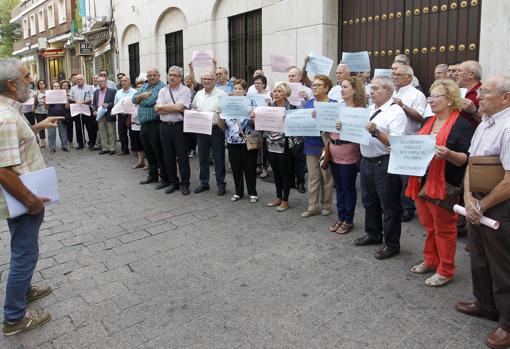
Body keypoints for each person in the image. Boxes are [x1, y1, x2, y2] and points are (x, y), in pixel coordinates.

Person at [0, 58, 64, 336]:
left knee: (23, 249)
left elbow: (13, 145)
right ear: (12, 85)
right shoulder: (6, 117)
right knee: (25, 254)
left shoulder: (11, 112)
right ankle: (14, 317)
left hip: (24, 197)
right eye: (26, 77)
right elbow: (2, 169)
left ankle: (24, 291)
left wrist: (37, 128)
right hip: (23, 201)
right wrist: (31, 200)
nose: (31, 80)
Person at [456, 75, 510, 349]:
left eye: (486, 92)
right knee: (479, 258)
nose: (479, 96)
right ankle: (485, 304)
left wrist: (482, 205)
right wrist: (468, 197)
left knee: (503, 265)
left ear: (506, 98)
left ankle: (507, 323)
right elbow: (471, 163)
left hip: (499, 206)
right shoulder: (484, 124)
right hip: (477, 202)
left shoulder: (509, 127)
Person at [406, 79, 474, 287]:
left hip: (444, 184)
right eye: (430, 96)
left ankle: (446, 269)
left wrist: (449, 154)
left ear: (450, 99)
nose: (431, 100)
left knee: (444, 228)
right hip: (421, 181)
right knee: (429, 226)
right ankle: (430, 260)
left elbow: (467, 158)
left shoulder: (461, 124)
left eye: (436, 96)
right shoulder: (430, 121)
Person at [354, 75, 407, 260]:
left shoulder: (396, 112)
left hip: (384, 162)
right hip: (367, 161)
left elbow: (396, 143)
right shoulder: (370, 109)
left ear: (388, 91)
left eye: (376, 88)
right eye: (372, 88)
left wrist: (376, 132)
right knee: (369, 201)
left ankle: (392, 244)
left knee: (389, 206)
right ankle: (373, 233)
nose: (372, 91)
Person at [329, 77, 367, 234]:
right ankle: (341, 216)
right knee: (338, 188)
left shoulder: (360, 111)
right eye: (341, 86)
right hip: (333, 152)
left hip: (348, 153)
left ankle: (348, 219)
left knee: (348, 188)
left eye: (345, 86)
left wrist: (344, 126)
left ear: (354, 90)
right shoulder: (337, 107)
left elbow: (360, 134)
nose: (342, 89)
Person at [392, 64, 427, 222]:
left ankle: (408, 208)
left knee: (405, 178)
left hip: (408, 139)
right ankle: (396, 205)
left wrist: (403, 106)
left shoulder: (416, 95)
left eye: (398, 74)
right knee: (393, 177)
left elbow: (421, 117)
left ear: (409, 77)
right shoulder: (392, 92)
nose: (395, 76)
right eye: (394, 74)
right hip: (391, 139)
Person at [255, 82, 296, 211]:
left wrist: (287, 120)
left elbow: (296, 128)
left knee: (285, 172)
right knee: (276, 172)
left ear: (286, 94)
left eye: (279, 91)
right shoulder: (269, 107)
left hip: (285, 145)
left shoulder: (292, 108)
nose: (276, 93)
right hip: (271, 143)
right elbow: (261, 123)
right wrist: (255, 117)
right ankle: (278, 197)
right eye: (275, 91)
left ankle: (285, 200)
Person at [218, 79, 259, 203]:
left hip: (248, 141)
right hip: (232, 141)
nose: (237, 91)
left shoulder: (251, 102)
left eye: (240, 89)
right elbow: (221, 126)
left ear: (245, 90)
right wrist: (218, 113)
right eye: (235, 88)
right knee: (236, 168)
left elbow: (256, 125)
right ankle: (238, 192)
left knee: (250, 168)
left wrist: (253, 117)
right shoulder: (227, 103)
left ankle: (252, 193)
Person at [155, 66, 192, 195]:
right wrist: (170, 108)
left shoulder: (185, 91)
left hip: (179, 126)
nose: (171, 77)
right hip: (164, 126)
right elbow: (156, 108)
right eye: (170, 75)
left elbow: (179, 107)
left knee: (182, 157)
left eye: (174, 75)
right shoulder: (162, 90)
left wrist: (162, 107)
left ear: (180, 77)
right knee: (168, 156)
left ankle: (185, 183)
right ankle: (173, 182)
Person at [301, 74, 334, 218]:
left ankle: (326, 205)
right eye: (313, 85)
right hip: (310, 143)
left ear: (326, 88)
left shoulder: (333, 104)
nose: (314, 87)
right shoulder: (308, 104)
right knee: (313, 177)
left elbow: (336, 126)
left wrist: (321, 117)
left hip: (326, 145)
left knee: (326, 176)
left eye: (318, 85)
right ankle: (313, 206)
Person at [192, 71, 227, 195]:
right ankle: (204, 183)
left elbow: (227, 112)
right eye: (204, 79)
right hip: (201, 129)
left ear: (215, 81)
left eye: (209, 79)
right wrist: (194, 111)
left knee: (219, 157)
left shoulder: (222, 94)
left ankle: (221, 183)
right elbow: (193, 107)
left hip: (216, 129)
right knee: (202, 158)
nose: (206, 81)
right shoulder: (198, 94)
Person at [132, 68, 168, 188]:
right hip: (144, 124)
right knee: (149, 152)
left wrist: (139, 99)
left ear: (159, 76)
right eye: (149, 75)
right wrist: (141, 95)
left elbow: (150, 101)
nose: (152, 77)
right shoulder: (145, 86)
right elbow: (133, 99)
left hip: (155, 124)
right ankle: (152, 175)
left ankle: (164, 178)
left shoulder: (161, 87)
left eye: (154, 75)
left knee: (158, 152)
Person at [92, 76, 117, 155]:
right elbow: (94, 104)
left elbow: (115, 102)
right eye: (99, 82)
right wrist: (94, 110)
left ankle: (112, 148)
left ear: (106, 82)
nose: (100, 83)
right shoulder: (96, 92)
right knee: (102, 132)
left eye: (102, 81)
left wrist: (108, 104)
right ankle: (105, 148)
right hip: (99, 115)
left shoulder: (112, 91)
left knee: (111, 132)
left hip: (109, 114)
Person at [69, 74, 95, 150]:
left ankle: (91, 143)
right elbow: (70, 97)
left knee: (90, 127)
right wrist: (75, 100)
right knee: (78, 127)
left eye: (80, 79)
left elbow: (91, 97)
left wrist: (83, 102)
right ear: (75, 80)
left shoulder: (89, 87)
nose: (79, 81)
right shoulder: (73, 88)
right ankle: (81, 143)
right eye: (77, 79)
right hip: (77, 109)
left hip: (86, 108)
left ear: (84, 80)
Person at [114, 75, 136, 155]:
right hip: (121, 115)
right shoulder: (118, 93)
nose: (123, 82)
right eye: (122, 81)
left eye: (125, 81)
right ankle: (124, 150)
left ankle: (134, 149)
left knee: (132, 133)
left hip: (131, 115)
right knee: (122, 133)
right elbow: (115, 104)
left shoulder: (134, 92)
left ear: (129, 82)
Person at [457, 60, 483, 128]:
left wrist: (474, 111)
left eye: (459, 71)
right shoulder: (457, 91)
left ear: (471, 74)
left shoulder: (483, 92)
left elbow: (491, 120)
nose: (456, 74)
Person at [46, 81, 70, 153]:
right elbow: (46, 108)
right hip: (51, 116)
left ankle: (65, 146)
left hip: (62, 116)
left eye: (58, 86)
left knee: (63, 132)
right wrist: (45, 101)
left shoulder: (63, 94)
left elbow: (67, 107)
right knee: (51, 133)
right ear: (52, 88)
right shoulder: (49, 95)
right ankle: (52, 147)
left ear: (60, 87)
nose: (56, 88)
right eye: (54, 86)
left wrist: (66, 98)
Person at [130, 77, 147, 169]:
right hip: (134, 125)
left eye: (141, 87)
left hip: (143, 125)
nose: (139, 89)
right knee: (138, 144)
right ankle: (140, 161)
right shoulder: (134, 99)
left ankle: (148, 163)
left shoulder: (146, 99)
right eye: (138, 87)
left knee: (145, 144)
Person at [33, 79, 48, 148]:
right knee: (41, 126)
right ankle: (42, 140)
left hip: (48, 111)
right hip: (39, 111)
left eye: (43, 83)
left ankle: (52, 141)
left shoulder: (49, 92)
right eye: (40, 84)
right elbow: (34, 103)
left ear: (45, 84)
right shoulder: (36, 93)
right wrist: (33, 108)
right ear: (38, 85)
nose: (41, 84)